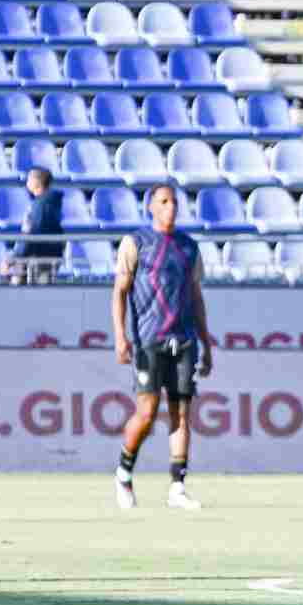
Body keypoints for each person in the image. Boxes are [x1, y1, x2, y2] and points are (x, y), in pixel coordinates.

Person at [111, 184, 213, 511]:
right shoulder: (136, 243)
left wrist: (206, 342)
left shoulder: (189, 247)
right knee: (147, 412)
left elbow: (196, 296)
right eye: (164, 202)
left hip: (183, 339)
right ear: (151, 207)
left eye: (174, 202)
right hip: (148, 339)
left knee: (181, 413)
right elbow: (119, 292)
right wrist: (120, 335)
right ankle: (124, 473)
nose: (171, 207)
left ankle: (177, 486)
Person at [9, 167, 64, 285]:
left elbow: (32, 233)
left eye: (30, 178)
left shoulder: (40, 206)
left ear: (37, 182)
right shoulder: (50, 203)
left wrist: (14, 258)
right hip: (49, 255)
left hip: (38, 258)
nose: (27, 181)